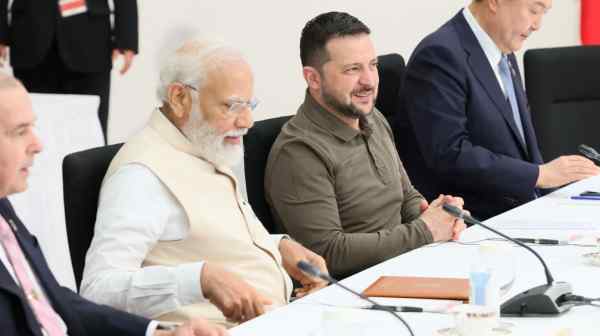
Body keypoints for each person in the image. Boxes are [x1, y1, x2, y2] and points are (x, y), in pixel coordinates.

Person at [80, 36, 328, 327]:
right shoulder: (141, 175)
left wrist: (278, 248)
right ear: (179, 98)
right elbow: (98, 290)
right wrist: (199, 279)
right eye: (233, 106)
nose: (247, 121)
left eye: (250, 105)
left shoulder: (202, 142)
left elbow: (203, 242)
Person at [0, 73, 227, 336]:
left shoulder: (4, 208)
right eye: (20, 131)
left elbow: (53, 301)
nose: (37, 144)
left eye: (33, 127)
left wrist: (158, 334)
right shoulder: (141, 169)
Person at [265, 12, 467, 280]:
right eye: (352, 69)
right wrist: (425, 231)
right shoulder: (299, 152)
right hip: (359, 291)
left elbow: (405, 195)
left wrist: (437, 215)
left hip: (409, 265)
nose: (369, 81)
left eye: (372, 65)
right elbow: (327, 254)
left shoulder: (372, 117)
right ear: (313, 78)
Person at [400, 0, 600, 220]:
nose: (537, 25)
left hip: (523, 211)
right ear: (494, 2)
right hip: (473, 222)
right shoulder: (439, 55)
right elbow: (450, 153)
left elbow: (518, 145)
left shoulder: (502, 49)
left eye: (544, 13)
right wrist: (539, 174)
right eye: (534, 10)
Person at [0, 0, 138, 143]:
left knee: (88, 133)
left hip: (90, 38)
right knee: (32, 131)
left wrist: (127, 37)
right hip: (30, 35)